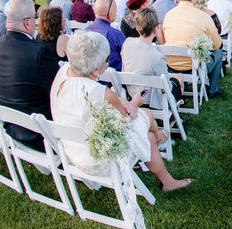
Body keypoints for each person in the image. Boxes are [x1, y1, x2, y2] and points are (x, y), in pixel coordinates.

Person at [50, 32, 191, 191]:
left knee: (146, 130)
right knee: (148, 125)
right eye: (106, 60)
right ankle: (160, 145)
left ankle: (166, 171)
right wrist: (135, 103)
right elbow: (129, 118)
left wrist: (122, 102)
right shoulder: (99, 93)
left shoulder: (64, 71)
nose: (107, 63)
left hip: (72, 152)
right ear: (96, 70)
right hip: (97, 162)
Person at [0, 0, 59, 150]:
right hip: (39, 133)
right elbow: (57, 93)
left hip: (10, 125)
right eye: (35, 18)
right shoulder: (38, 53)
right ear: (27, 22)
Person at [163, 0, 224, 99]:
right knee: (219, 53)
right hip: (193, 66)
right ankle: (213, 89)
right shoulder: (203, 16)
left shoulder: (169, 15)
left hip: (171, 64)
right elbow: (217, 44)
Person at [121, 7, 184, 108]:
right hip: (149, 98)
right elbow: (166, 87)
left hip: (131, 92)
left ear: (137, 28)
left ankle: (178, 104)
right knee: (179, 78)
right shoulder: (157, 57)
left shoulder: (127, 43)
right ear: (155, 29)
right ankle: (175, 114)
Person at [86, 0, 126, 71]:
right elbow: (127, 58)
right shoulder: (116, 35)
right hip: (113, 80)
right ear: (110, 12)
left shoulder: (86, 31)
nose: (116, 12)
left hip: (91, 75)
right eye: (115, 9)